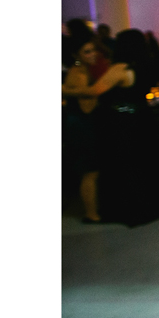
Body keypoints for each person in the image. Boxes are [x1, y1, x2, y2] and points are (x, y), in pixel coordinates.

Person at [63, 29, 159, 227]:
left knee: (128, 167)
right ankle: (150, 203)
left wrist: (63, 89)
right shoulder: (146, 65)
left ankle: (133, 208)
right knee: (146, 166)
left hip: (124, 123)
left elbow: (94, 91)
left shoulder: (120, 69)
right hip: (144, 119)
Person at [62, 27, 101, 222]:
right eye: (87, 51)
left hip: (78, 124)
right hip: (81, 125)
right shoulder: (79, 73)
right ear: (76, 55)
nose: (93, 54)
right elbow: (86, 107)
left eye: (93, 50)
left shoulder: (79, 70)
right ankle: (91, 213)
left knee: (89, 171)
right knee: (89, 172)